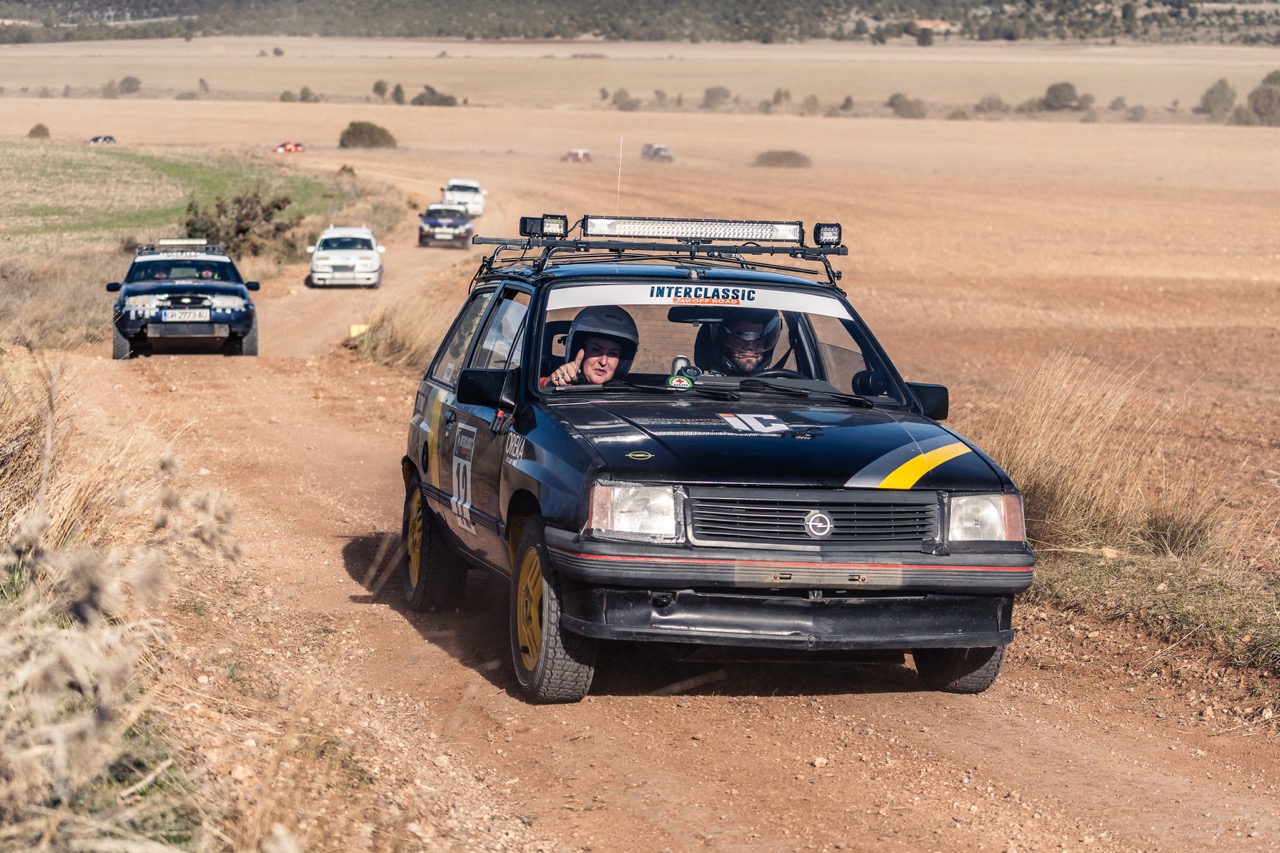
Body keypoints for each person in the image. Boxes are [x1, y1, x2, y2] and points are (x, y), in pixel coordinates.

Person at [541, 305, 638, 387]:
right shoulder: (564, 387)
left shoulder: (631, 398)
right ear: (579, 351)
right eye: (596, 350)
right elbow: (538, 388)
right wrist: (552, 383)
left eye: (613, 354)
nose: (603, 362)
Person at [710, 308, 783, 376]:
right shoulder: (706, 381)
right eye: (740, 337)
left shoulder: (783, 382)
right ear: (726, 338)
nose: (749, 347)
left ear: (766, 341)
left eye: (758, 338)